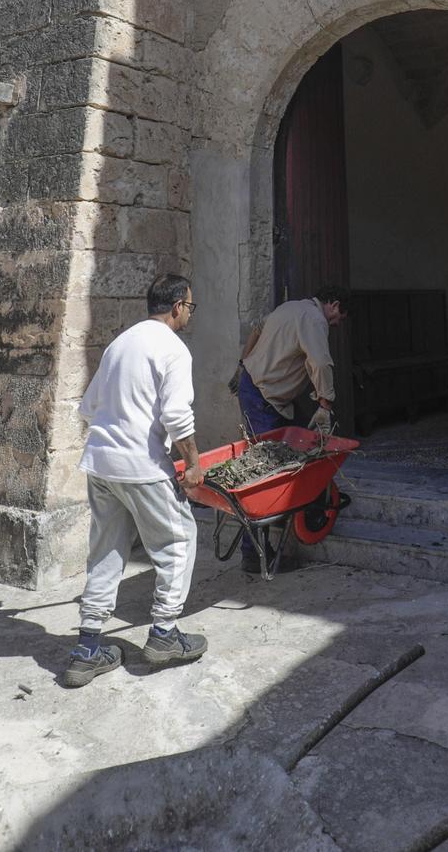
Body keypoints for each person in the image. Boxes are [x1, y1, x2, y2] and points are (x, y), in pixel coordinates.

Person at [63, 273, 210, 688]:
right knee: (178, 540)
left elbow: (88, 407)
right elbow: (177, 417)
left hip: (101, 463)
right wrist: (193, 464)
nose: (188, 315)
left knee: (106, 551)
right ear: (178, 306)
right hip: (140, 466)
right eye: (190, 307)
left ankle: (88, 648)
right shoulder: (173, 349)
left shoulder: (119, 344)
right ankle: (164, 634)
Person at [231, 286, 349, 571]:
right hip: (264, 398)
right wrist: (326, 404)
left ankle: (299, 505)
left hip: (260, 391)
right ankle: (254, 554)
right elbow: (320, 362)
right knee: (264, 476)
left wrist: (242, 364)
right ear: (333, 305)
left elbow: (257, 328)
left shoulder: (290, 307)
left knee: (297, 451)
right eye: (340, 317)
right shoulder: (315, 319)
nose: (337, 324)